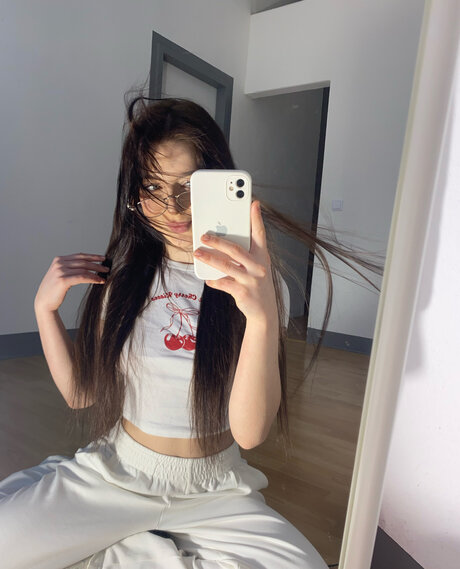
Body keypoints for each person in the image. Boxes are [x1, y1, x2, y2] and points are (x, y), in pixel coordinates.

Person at [0, 94, 383, 569]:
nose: (173, 208)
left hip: (215, 490)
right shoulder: (121, 282)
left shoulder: (258, 286)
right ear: (134, 194)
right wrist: (44, 310)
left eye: (188, 187)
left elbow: (250, 432)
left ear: (218, 183)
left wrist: (261, 317)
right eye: (153, 187)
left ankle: (128, 549)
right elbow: (82, 394)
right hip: (119, 476)